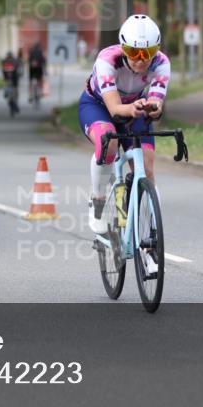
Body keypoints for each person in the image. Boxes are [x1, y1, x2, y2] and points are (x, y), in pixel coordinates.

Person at [80, 15, 170, 249]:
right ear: (123, 47)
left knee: (147, 167)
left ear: (156, 50)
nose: (140, 60)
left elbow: (156, 102)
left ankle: (152, 240)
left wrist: (154, 108)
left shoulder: (161, 63)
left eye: (147, 52)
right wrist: (132, 108)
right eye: (133, 51)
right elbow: (114, 108)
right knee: (108, 143)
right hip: (99, 106)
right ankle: (97, 198)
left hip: (135, 107)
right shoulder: (107, 60)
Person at [1, 50, 20, 116]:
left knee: (7, 88)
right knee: (15, 89)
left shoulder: (4, 61)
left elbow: (2, 70)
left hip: (7, 79)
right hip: (14, 79)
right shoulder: (15, 61)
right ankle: (15, 101)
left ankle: (6, 93)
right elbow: (18, 70)